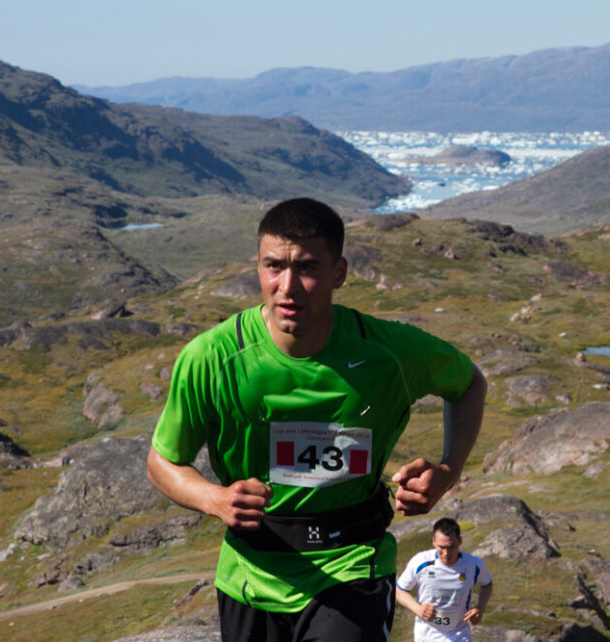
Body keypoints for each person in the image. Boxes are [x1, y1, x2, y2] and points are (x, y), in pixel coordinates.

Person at [147, 197, 487, 642]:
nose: (288, 287)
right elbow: (162, 462)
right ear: (258, 267)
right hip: (251, 574)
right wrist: (214, 499)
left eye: (307, 268)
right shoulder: (212, 357)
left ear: (339, 273)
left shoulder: (388, 351)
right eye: (273, 266)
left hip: (353, 565)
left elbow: (468, 383)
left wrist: (448, 470)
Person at [396, 518, 493, 642]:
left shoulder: (474, 565)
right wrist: (418, 609)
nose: (446, 553)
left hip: (459, 634)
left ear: (460, 541)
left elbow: (487, 584)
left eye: (451, 547)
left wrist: (480, 609)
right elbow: (400, 590)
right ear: (434, 542)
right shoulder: (421, 562)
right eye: (441, 547)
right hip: (426, 635)